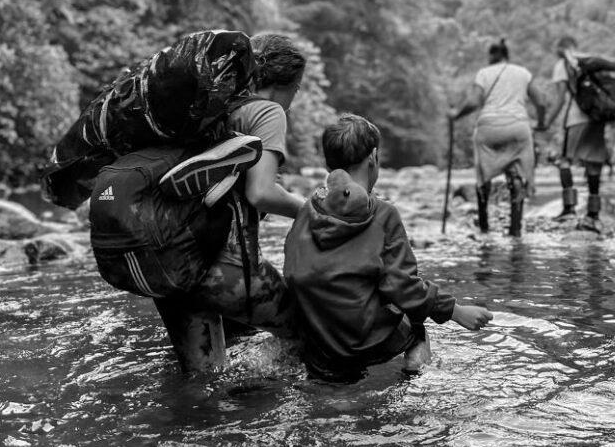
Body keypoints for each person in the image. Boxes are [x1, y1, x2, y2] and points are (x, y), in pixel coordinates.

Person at [283, 114, 493, 382]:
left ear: (329, 164)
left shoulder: (307, 210)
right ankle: (412, 373)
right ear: (373, 157)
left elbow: (292, 268)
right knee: (417, 321)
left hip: (319, 346)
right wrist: (456, 311)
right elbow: (403, 286)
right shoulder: (383, 214)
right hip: (366, 344)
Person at [152, 33, 308, 372]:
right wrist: (312, 211)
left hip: (171, 266)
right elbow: (261, 192)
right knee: (312, 336)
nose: (293, 101)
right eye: (296, 90)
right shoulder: (267, 112)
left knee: (201, 385)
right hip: (221, 268)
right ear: (287, 83)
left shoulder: (211, 108)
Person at [448, 39, 549, 237]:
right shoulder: (523, 73)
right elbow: (542, 102)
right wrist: (542, 123)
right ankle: (515, 230)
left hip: (489, 128)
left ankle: (484, 227)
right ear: (507, 55)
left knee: (483, 176)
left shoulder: (484, 73)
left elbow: (474, 102)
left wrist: (455, 115)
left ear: (491, 56)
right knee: (517, 173)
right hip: (518, 127)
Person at [544, 35, 615, 233]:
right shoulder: (591, 61)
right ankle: (593, 214)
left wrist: (545, 123)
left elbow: (559, 100)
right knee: (594, 164)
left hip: (576, 118)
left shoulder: (564, 63)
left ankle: (569, 208)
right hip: (596, 118)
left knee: (565, 160)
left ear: (559, 48)